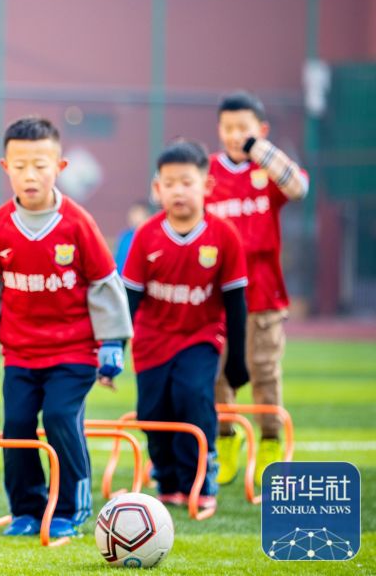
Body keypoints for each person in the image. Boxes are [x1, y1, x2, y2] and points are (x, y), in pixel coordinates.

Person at [0, 116, 132, 539]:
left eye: (40, 164)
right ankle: (27, 509)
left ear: (60, 167)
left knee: (59, 417)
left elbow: (105, 284)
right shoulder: (0, 223)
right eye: (19, 166)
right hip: (20, 353)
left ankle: (73, 505)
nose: (30, 174)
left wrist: (112, 342)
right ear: (5, 168)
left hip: (73, 353)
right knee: (17, 425)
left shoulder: (77, 223)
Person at [122, 140, 250, 512]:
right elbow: (130, 300)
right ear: (157, 188)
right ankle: (168, 480)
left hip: (200, 336)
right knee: (152, 412)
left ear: (206, 186)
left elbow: (235, 303)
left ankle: (200, 479)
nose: (179, 190)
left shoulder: (224, 235)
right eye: (170, 183)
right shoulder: (146, 235)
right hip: (151, 341)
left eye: (187, 182)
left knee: (193, 398)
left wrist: (237, 360)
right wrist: (115, 349)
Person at [207, 91, 309, 487]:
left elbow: (298, 187)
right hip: (214, 301)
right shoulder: (208, 172)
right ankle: (225, 440)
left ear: (260, 131)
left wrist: (261, 150)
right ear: (219, 130)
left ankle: (268, 441)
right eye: (229, 128)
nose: (235, 136)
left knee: (265, 372)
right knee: (216, 374)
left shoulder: (268, 170)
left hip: (263, 296)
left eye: (243, 128)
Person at [113, 201, 151, 274]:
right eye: (132, 213)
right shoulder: (125, 236)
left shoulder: (150, 238)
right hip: (121, 281)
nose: (132, 216)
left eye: (137, 213)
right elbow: (117, 261)